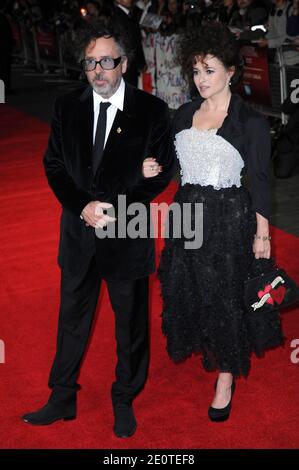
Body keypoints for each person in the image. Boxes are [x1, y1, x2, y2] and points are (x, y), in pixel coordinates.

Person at [22, 19, 174, 438]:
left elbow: (160, 175)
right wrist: (83, 206)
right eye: (90, 63)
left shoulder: (152, 112)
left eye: (106, 61)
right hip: (78, 232)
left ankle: (124, 396)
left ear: (123, 63)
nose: (98, 71)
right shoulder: (66, 106)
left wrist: (113, 201)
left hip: (126, 235)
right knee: (71, 318)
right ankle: (62, 395)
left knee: (130, 324)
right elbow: (54, 165)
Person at [151, 22, 284, 422]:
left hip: (229, 220)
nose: (201, 79)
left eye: (209, 70)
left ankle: (226, 376)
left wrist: (263, 235)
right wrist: (149, 167)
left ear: (230, 70)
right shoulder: (184, 114)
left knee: (226, 297)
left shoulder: (251, 122)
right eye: (195, 71)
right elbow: (171, 166)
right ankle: (210, 345)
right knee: (192, 290)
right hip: (186, 216)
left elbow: (260, 182)